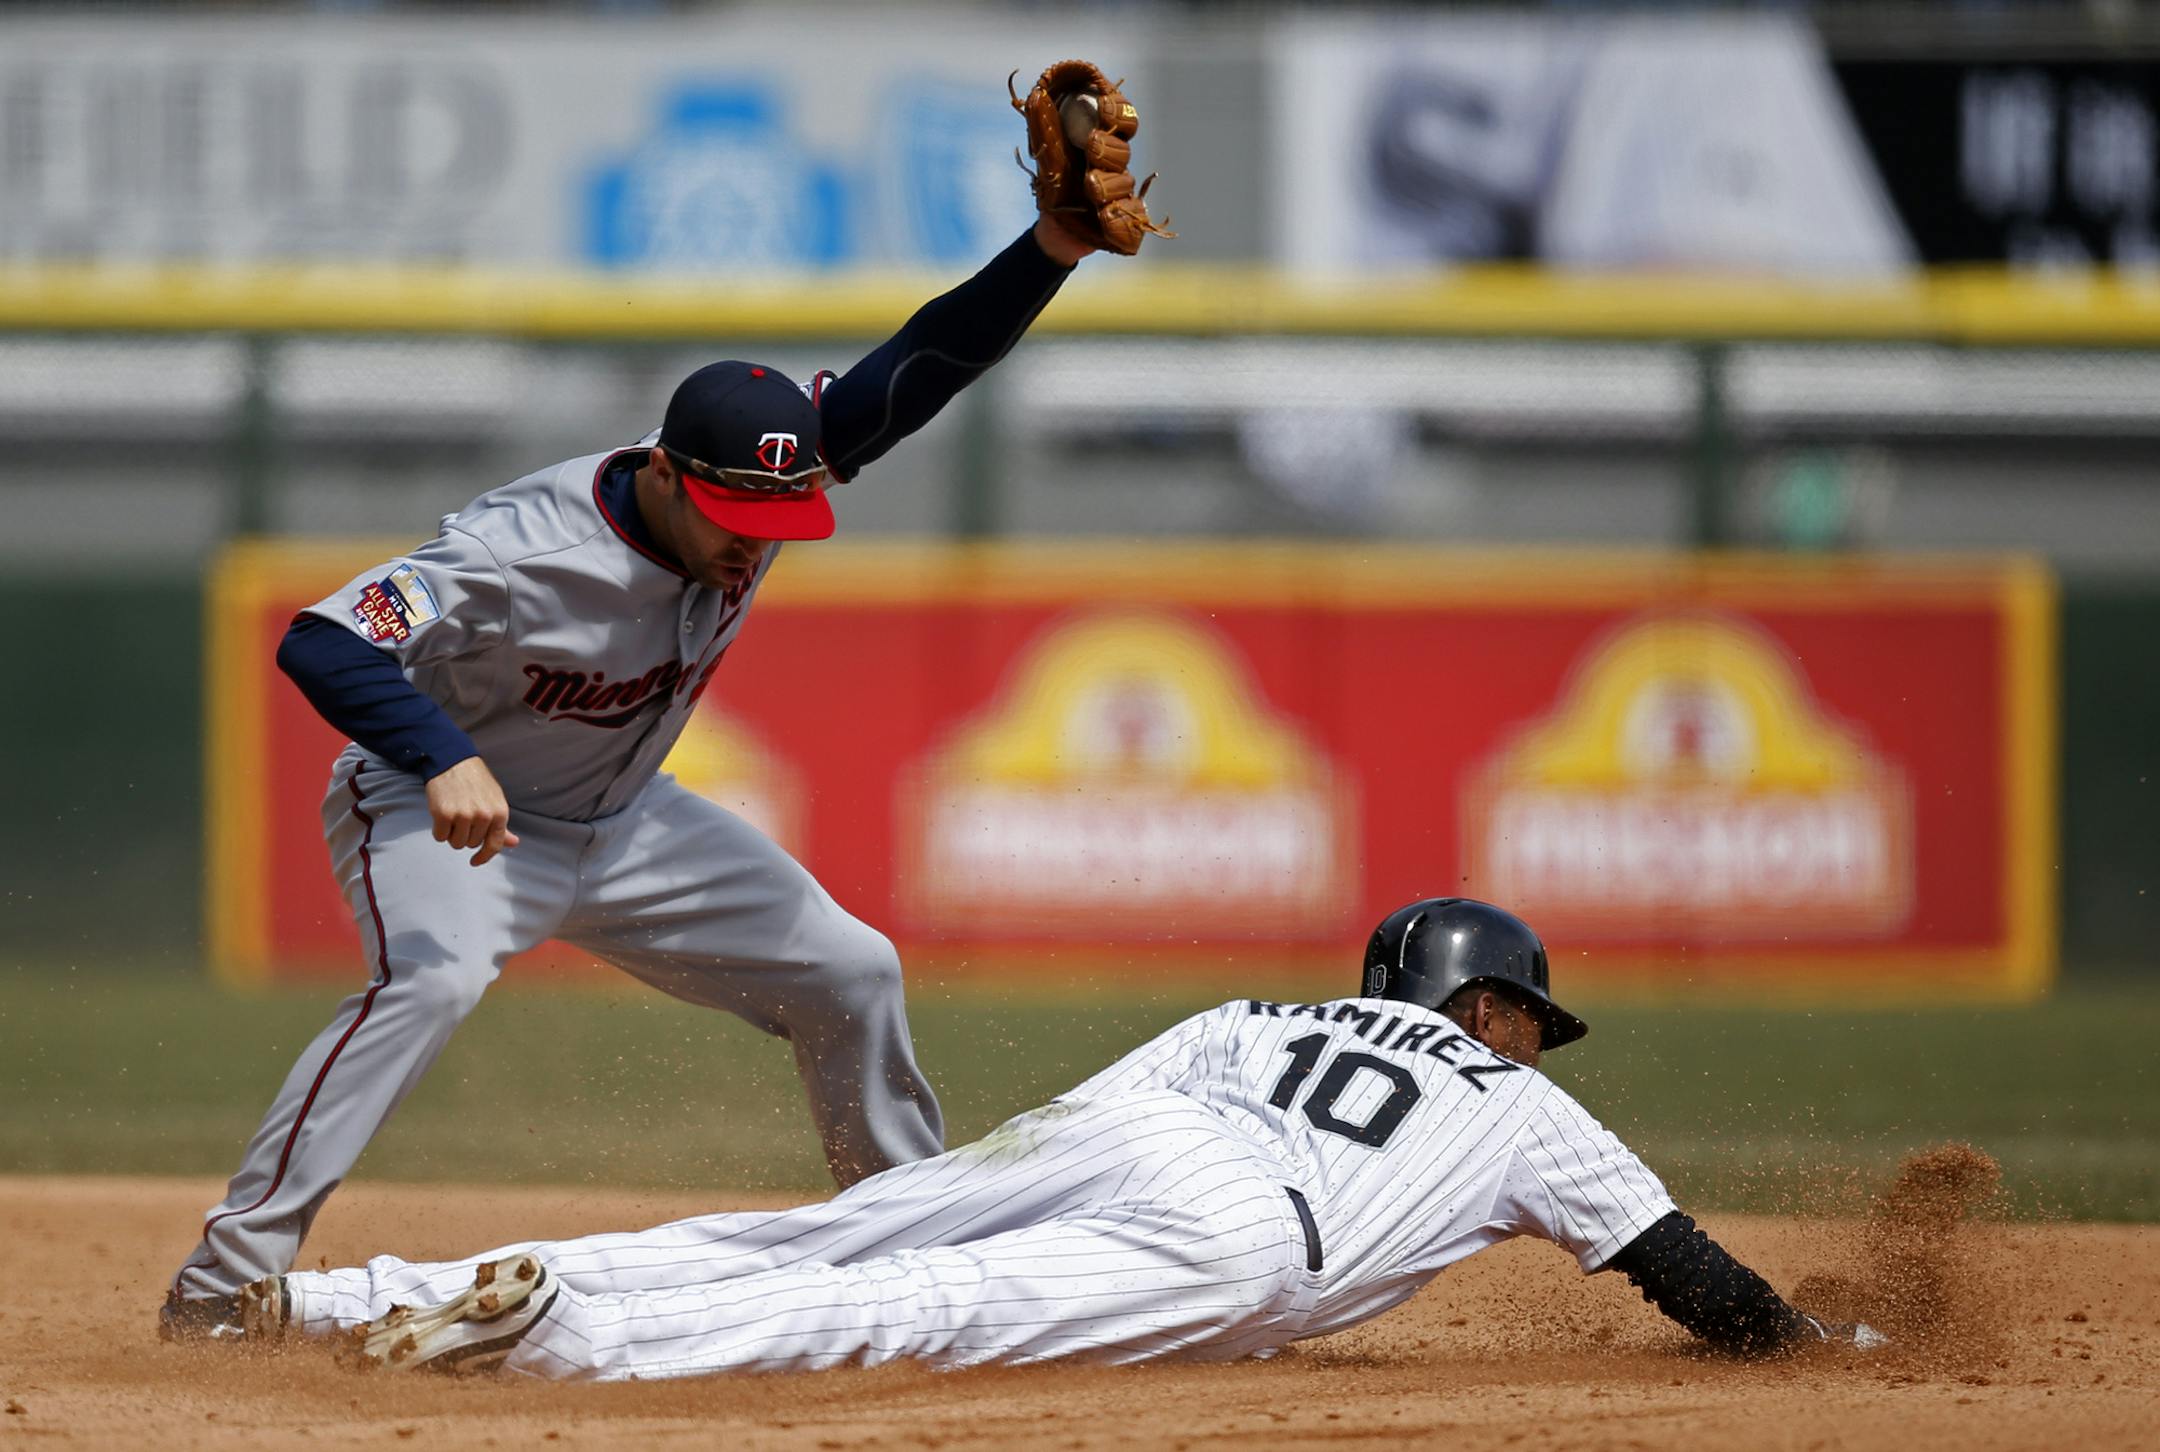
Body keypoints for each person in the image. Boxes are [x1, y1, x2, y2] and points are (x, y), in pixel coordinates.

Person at [160, 209, 1108, 1338]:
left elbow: (925, 360)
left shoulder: (766, 473)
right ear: (663, 472)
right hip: (444, 812)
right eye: (730, 513)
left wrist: (1050, 248)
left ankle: (909, 1252)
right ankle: (220, 1286)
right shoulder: (519, 552)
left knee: (853, 971)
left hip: (626, 822)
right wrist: (444, 755)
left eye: (777, 518)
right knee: (431, 983)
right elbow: (321, 639)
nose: (751, 541)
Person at [221, 899, 1885, 1376]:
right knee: (902, 1315)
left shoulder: (1265, 1012)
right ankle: (552, 1337)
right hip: (1240, 1231)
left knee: (820, 1239)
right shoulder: (1522, 1102)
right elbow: (1693, 1279)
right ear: (1482, 1002)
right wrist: (1815, 1340)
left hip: (1137, 1136)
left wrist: (950, 1194)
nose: (1532, 1031)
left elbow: (1110, 1112)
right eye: (1525, 1005)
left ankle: (344, 1297)